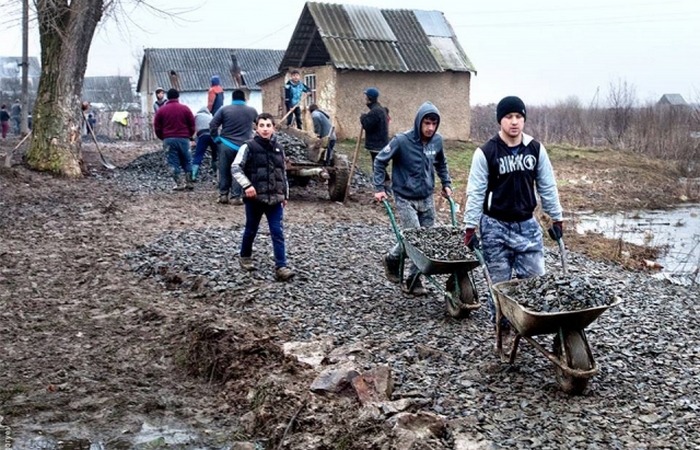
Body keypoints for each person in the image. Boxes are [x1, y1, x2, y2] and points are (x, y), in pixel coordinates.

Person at [463, 95, 564, 328]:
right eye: (509, 117)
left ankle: (530, 327)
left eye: (519, 116)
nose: (514, 121)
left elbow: (547, 186)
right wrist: (470, 227)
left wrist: (556, 219)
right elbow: (476, 192)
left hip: (527, 224)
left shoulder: (535, 149)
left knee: (536, 281)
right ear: (500, 120)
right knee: (499, 285)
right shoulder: (486, 152)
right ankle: (503, 329)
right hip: (495, 226)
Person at [373, 101, 453, 296]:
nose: (430, 128)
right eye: (426, 123)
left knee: (424, 241)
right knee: (415, 239)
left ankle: (413, 280)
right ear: (419, 122)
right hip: (405, 197)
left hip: (426, 197)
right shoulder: (402, 141)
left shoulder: (437, 142)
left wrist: (446, 183)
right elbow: (380, 161)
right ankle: (393, 259)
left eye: (434, 124)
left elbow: (441, 163)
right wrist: (379, 187)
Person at [231, 113, 295, 282]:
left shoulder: (279, 148)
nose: (265, 129)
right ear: (256, 128)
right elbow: (236, 168)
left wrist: (285, 195)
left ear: (274, 128)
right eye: (262, 125)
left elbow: (282, 174)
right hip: (255, 199)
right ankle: (245, 256)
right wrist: (247, 186)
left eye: (268, 126)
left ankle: (281, 266)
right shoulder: (248, 147)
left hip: (275, 199)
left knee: (277, 232)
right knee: (251, 229)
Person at [209, 89, 258, 205]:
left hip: (226, 144)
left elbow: (212, 125)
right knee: (239, 170)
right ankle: (236, 197)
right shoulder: (251, 111)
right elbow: (260, 122)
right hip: (243, 146)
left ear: (232, 98)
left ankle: (223, 195)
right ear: (244, 99)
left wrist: (216, 139)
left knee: (224, 170)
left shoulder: (224, 110)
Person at [153, 88, 196, 191]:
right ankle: (189, 182)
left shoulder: (161, 110)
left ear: (167, 97)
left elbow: (157, 127)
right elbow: (192, 124)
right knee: (187, 159)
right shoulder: (185, 109)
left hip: (169, 139)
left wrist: (163, 137)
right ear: (178, 97)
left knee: (172, 161)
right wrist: (189, 135)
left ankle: (179, 183)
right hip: (184, 139)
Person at [360, 87, 390, 188]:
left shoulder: (375, 112)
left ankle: (384, 187)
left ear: (369, 98)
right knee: (379, 166)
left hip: (377, 144)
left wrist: (363, 117)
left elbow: (367, 126)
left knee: (377, 167)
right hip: (381, 143)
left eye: (366, 97)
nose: (365, 99)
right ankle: (385, 186)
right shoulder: (380, 109)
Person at [191, 106, 218, 181]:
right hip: (213, 136)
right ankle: (216, 173)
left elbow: (192, 128)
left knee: (198, 155)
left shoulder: (196, 116)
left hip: (202, 136)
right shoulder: (210, 117)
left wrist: (192, 139)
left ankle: (193, 175)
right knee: (215, 155)